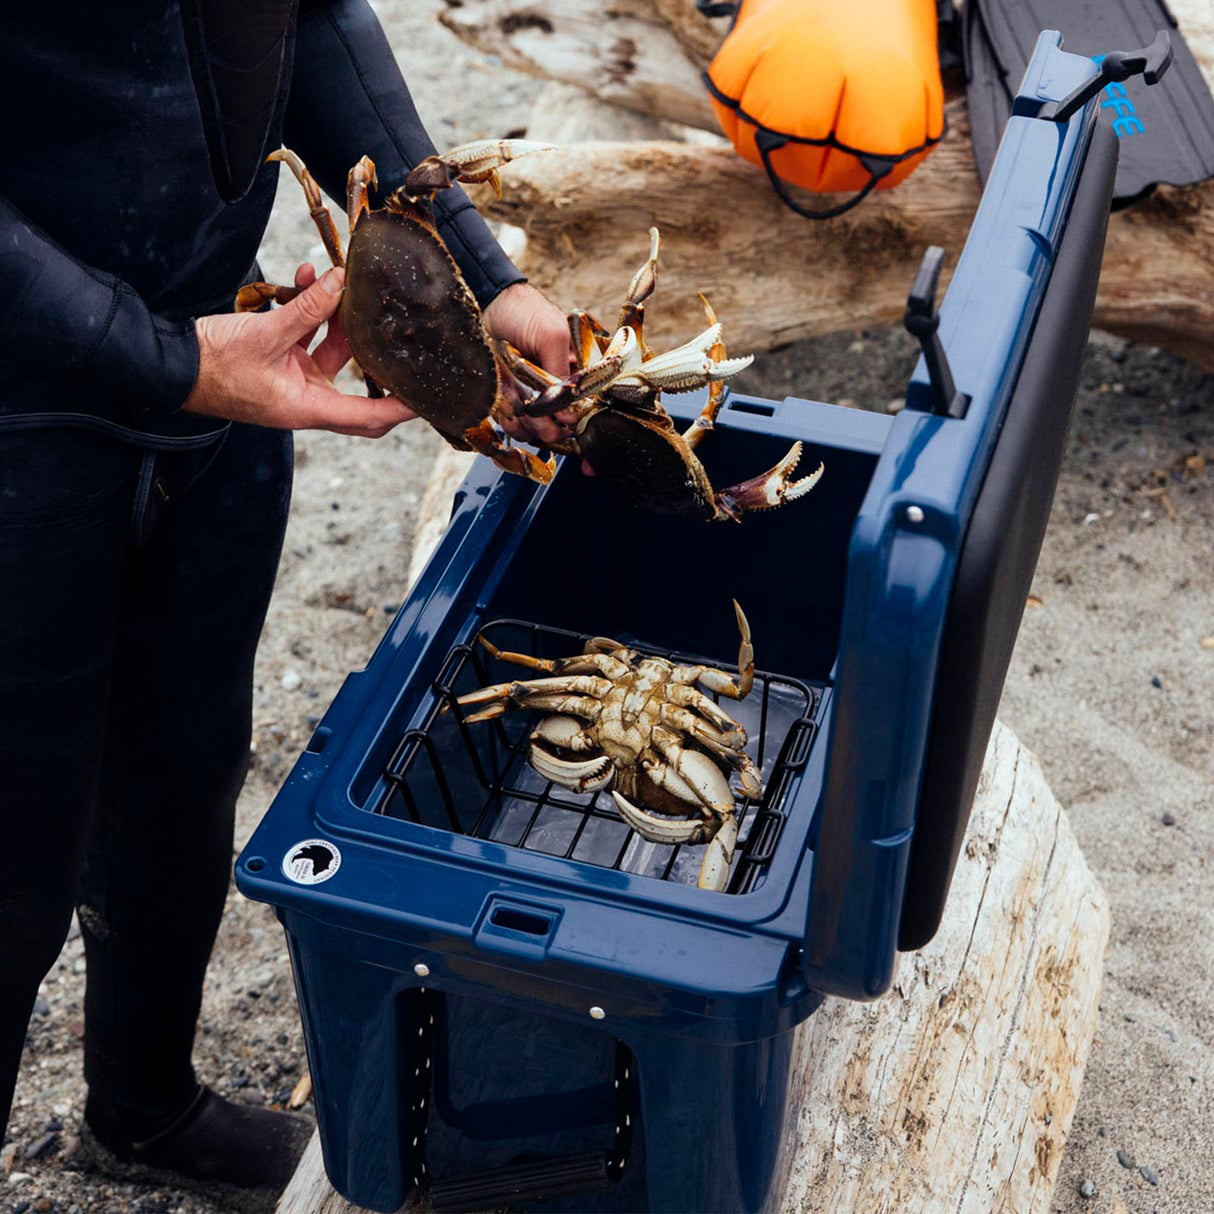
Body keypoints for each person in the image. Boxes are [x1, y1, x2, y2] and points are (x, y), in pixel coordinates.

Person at [0, 0, 573, 1201]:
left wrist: (475, 269)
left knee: (183, 776)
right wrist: (161, 355)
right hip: (28, 417)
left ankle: (143, 1105)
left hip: (217, 383)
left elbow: (306, 17)